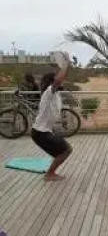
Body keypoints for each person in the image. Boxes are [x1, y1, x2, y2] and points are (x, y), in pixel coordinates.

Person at [31, 52, 73, 181]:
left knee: (63, 151)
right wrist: (65, 64)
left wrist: (66, 66)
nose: (59, 81)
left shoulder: (54, 93)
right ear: (52, 82)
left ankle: (50, 173)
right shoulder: (49, 93)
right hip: (40, 133)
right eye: (55, 80)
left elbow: (61, 78)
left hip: (43, 132)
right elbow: (58, 80)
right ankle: (49, 174)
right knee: (66, 150)